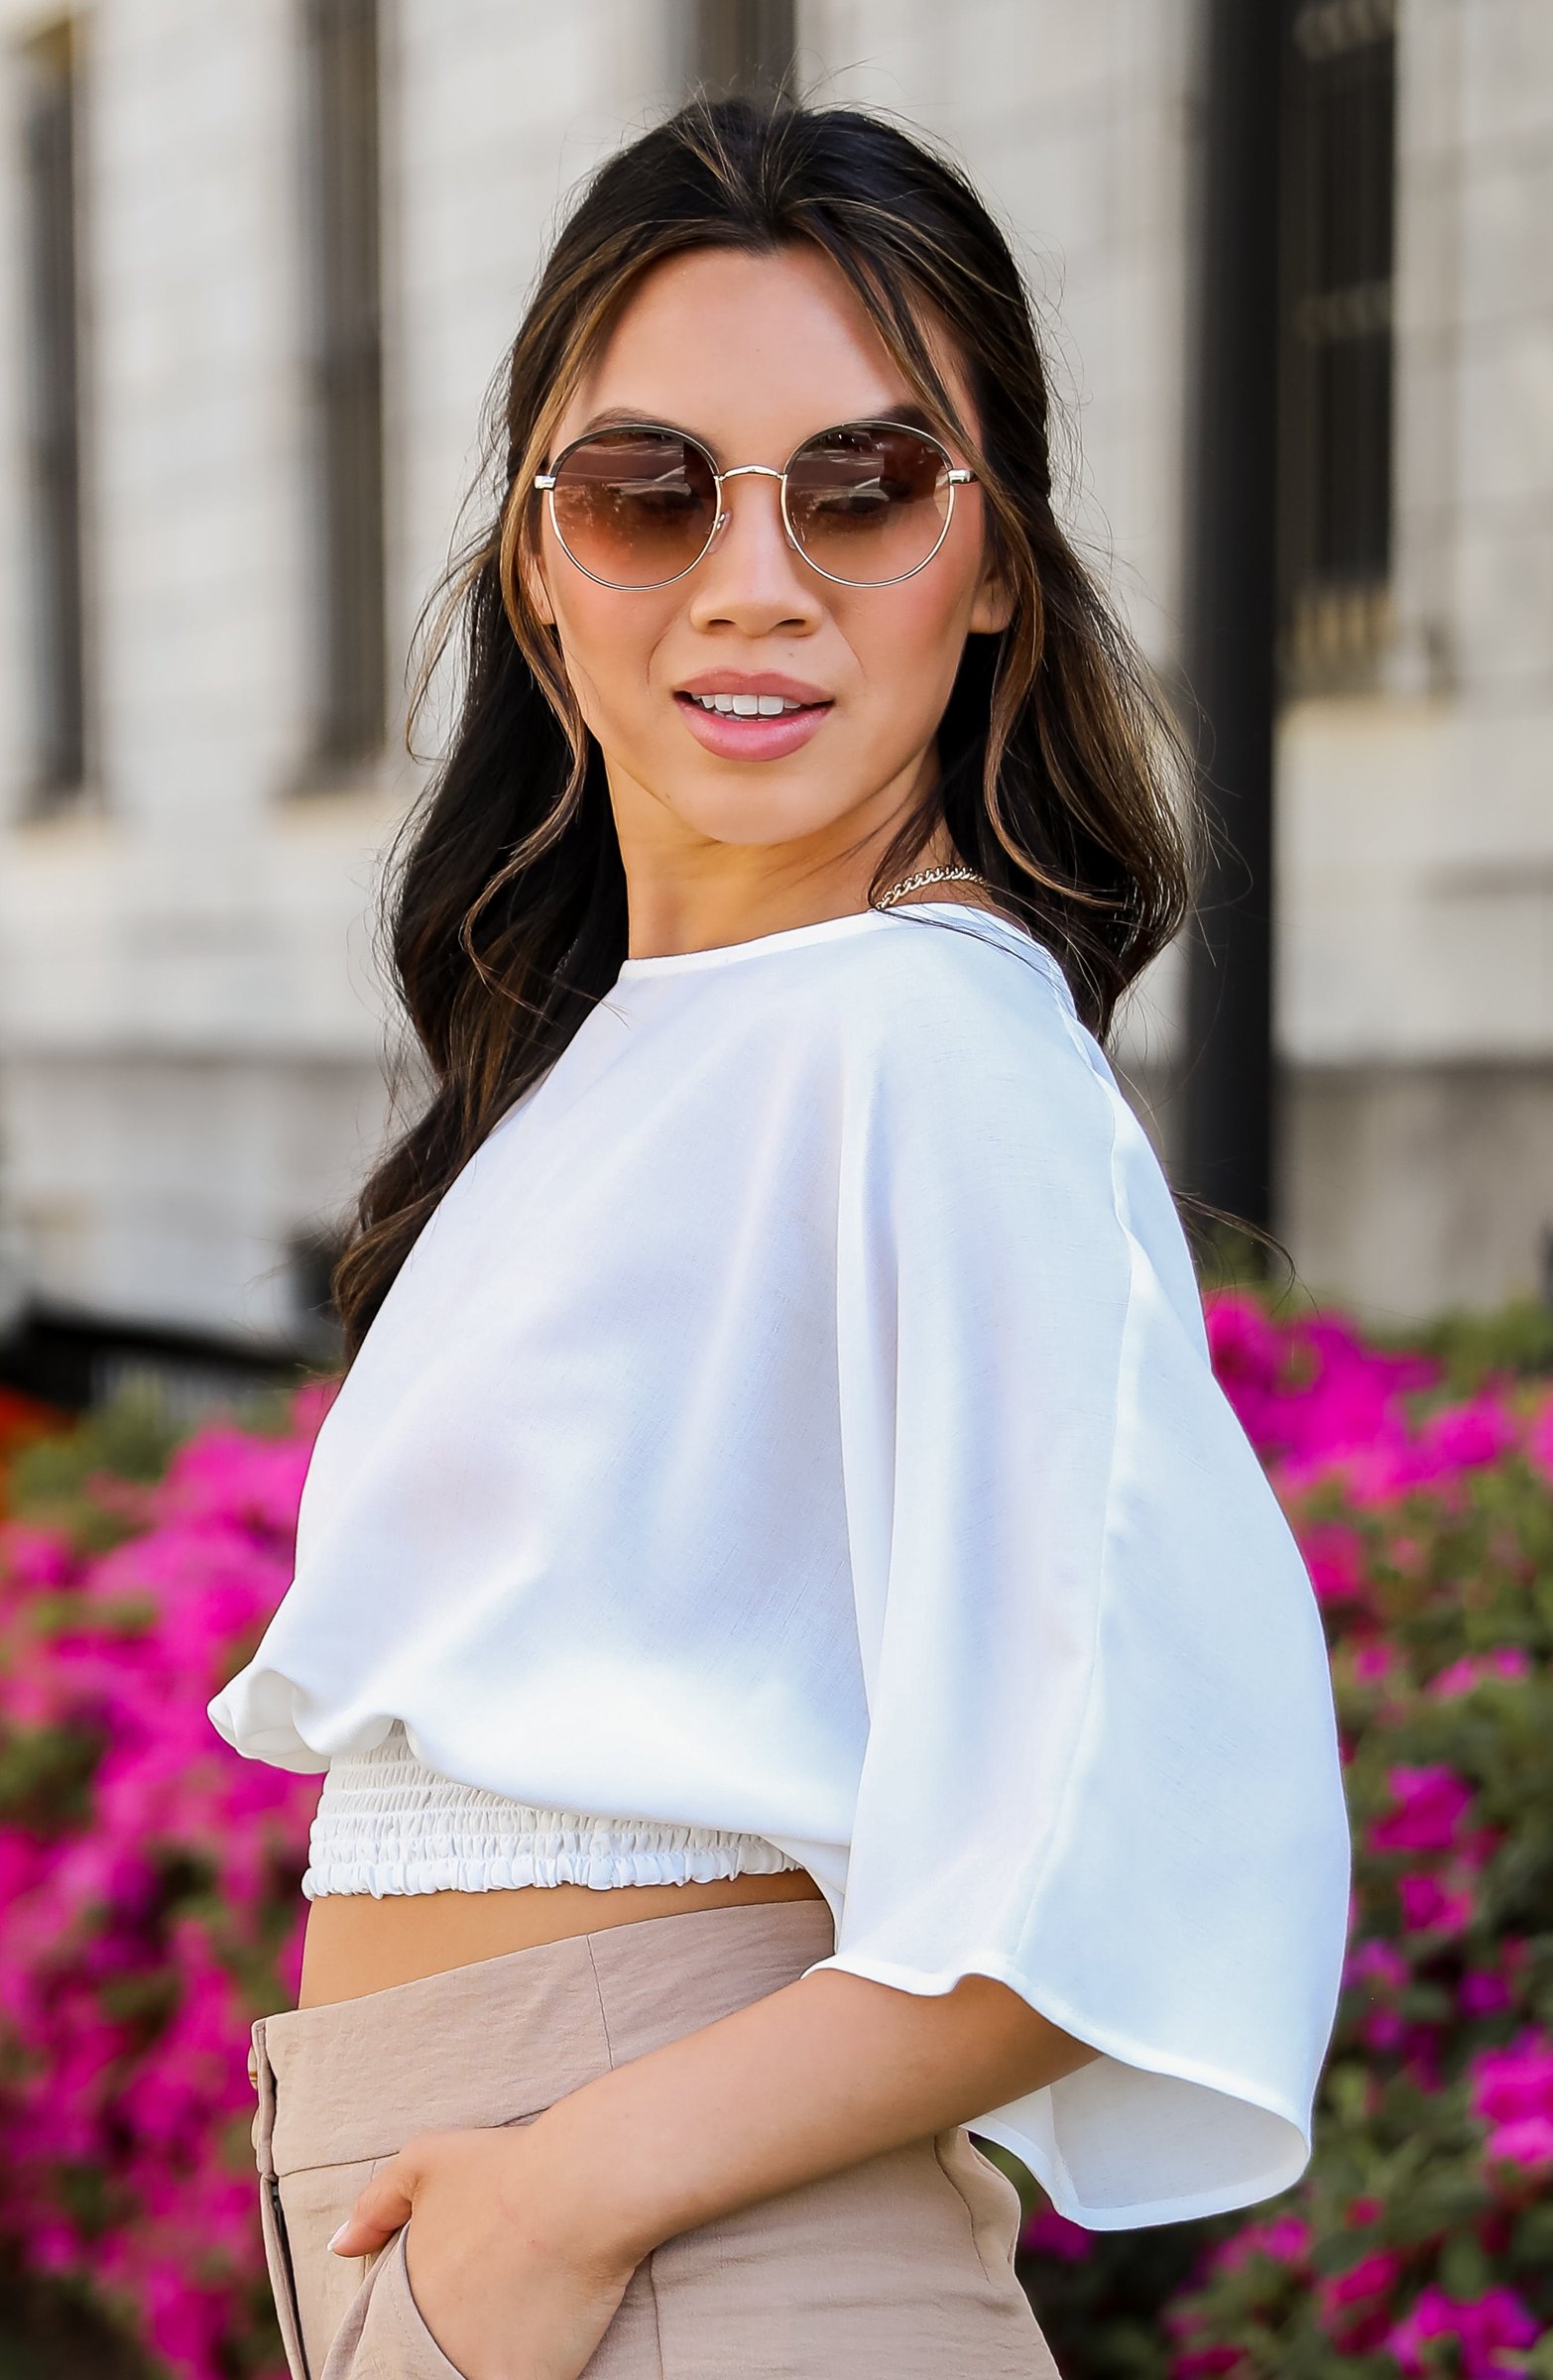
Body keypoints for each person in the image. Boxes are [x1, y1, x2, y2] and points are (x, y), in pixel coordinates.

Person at [208, 93, 1352, 2380]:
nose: (753, 581)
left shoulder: (918, 1041)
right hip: (521, 2262)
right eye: (649, 492)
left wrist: (561, 2204)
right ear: (538, 558)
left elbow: (1103, 1839)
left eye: (863, 487)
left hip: (671, 2269)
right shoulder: (620, 1057)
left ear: (997, 551)